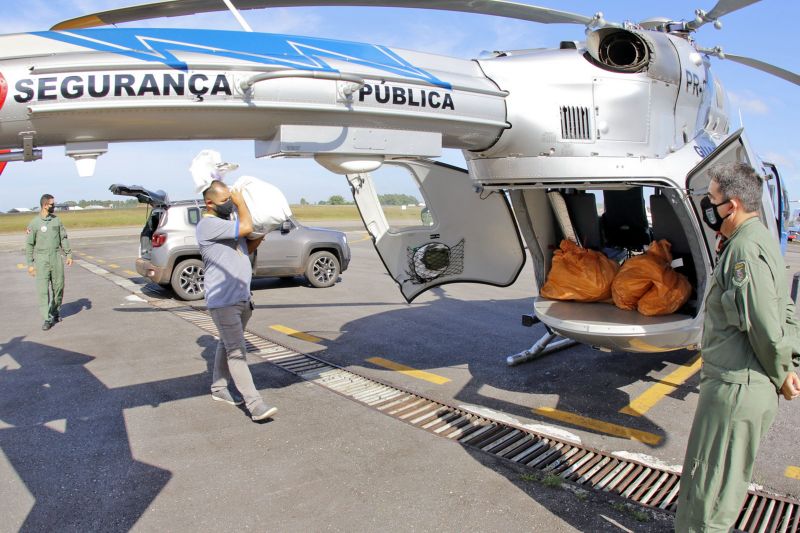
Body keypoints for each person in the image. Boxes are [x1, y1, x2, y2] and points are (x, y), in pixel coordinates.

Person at [675, 162, 800, 532]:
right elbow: (786, 309)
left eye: (712, 199)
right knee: (716, 483)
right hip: (740, 384)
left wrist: (782, 373)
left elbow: (763, 322)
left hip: (736, 387)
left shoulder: (744, 251)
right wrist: (789, 364)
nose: (708, 207)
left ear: (732, 206)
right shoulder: (757, 238)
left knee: (710, 490)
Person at [197, 180, 277, 422]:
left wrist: (262, 235)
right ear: (209, 203)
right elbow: (245, 227)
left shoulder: (225, 225)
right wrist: (241, 203)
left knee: (226, 343)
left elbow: (245, 247)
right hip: (224, 302)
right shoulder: (207, 225)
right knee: (237, 352)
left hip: (242, 298)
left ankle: (219, 388)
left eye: (230, 199)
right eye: (225, 201)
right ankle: (255, 405)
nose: (229, 203)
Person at [25, 194, 73, 330]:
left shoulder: (57, 220)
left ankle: (55, 311)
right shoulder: (34, 223)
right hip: (41, 259)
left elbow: (63, 238)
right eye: (52, 204)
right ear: (45, 205)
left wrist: (69, 254)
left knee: (58, 287)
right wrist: (30, 265)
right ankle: (47, 318)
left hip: (56, 257)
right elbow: (29, 245)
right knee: (42, 290)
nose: (54, 206)